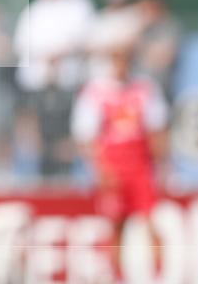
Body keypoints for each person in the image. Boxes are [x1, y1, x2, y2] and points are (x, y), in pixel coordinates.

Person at [71, 43, 168, 281]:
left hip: (140, 166)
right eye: (116, 59)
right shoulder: (95, 92)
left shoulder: (145, 89)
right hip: (113, 168)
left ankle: (159, 274)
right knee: (116, 225)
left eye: (125, 59)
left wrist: (162, 163)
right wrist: (99, 168)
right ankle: (116, 276)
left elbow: (157, 129)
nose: (121, 65)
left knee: (151, 220)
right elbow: (86, 136)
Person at [12, 0, 95, 176]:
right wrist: (45, 60)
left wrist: (60, 56)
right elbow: (21, 44)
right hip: (37, 82)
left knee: (68, 130)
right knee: (37, 131)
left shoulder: (79, 4)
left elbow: (86, 38)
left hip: (69, 80)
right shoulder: (35, 9)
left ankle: (68, 173)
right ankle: (38, 172)